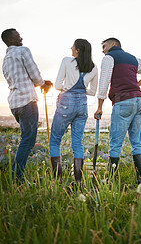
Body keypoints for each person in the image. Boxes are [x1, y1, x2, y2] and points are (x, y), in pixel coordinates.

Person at [94, 38, 141, 184]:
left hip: (123, 102)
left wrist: (100, 107)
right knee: (136, 141)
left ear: (113, 45)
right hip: (138, 101)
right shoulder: (133, 59)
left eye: (104, 46)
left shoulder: (109, 58)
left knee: (115, 143)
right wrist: (136, 85)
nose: (102, 50)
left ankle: (110, 179)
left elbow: (103, 83)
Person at [1, 28, 53, 181]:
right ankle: (16, 176)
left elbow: (20, 80)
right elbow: (35, 74)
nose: (21, 37)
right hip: (26, 101)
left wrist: (41, 83)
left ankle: (17, 174)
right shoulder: (23, 50)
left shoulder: (6, 59)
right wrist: (43, 83)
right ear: (10, 40)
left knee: (26, 139)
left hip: (15, 103)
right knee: (28, 140)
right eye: (17, 36)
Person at [49, 39, 98, 184]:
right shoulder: (94, 67)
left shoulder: (67, 61)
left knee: (55, 140)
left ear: (77, 50)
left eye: (73, 46)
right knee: (77, 143)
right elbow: (92, 91)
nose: (71, 47)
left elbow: (58, 85)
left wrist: (67, 89)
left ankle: (58, 180)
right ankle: (77, 181)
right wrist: (80, 90)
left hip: (66, 103)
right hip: (82, 104)